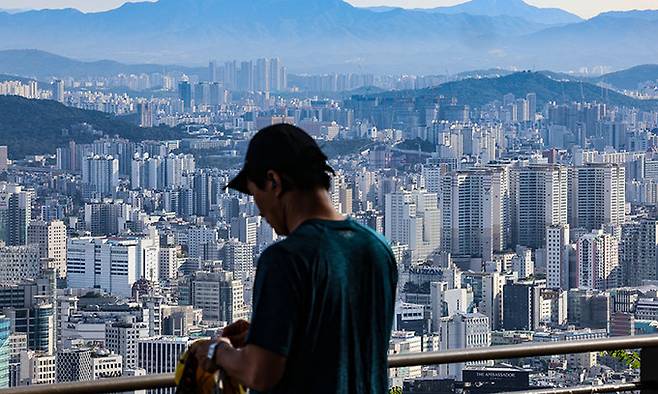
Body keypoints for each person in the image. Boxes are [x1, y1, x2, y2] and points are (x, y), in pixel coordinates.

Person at [192, 124, 398, 393]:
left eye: (256, 195)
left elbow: (259, 373)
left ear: (274, 182)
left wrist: (216, 352)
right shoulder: (377, 248)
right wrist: (264, 335)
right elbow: (342, 336)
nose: (260, 211)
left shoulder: (286, 259)